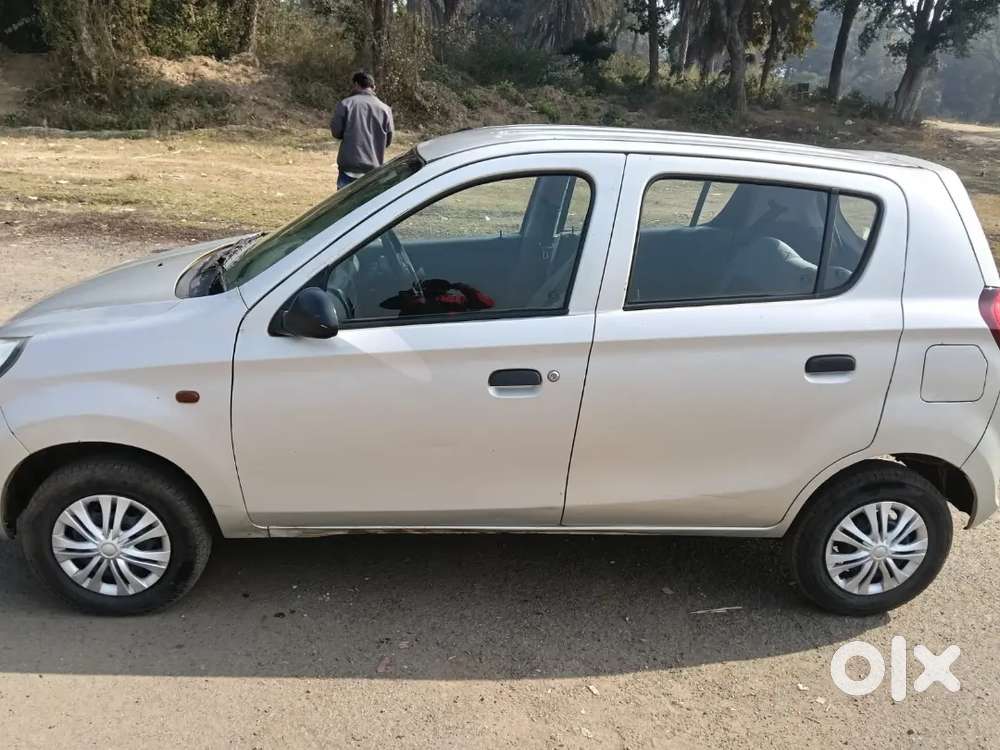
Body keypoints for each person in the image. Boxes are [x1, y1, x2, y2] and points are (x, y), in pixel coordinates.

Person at [330, 71, 394, 189]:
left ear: (355, 84)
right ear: (374, 87)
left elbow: (336, 132)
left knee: (344, 205)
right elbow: (388, 141)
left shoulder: (345, 104)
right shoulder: (385, 109)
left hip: (349, 167)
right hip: (373, 169)